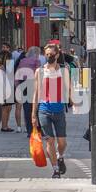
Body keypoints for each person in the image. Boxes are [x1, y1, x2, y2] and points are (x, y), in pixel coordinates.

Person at [33, 44, 71, 178]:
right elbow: (36, 92)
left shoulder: (63, 70)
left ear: (57, 55)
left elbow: (69, 88)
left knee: (62, 142)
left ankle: (60, 156)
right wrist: (33, 114)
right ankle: (55, 169)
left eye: (52, 54)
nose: (49, 56)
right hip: (44, 110)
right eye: (47, 54)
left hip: (59, 110)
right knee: (49, 141)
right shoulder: (40, 71)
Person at [14, 47, 42, 135]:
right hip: (33, 84)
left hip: (23, 84)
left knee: (26, 108)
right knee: (37, 107)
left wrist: (17, 85)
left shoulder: (22, 60)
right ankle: (39, 129)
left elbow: (17, 73)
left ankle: (30, 131)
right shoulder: (37, 61)